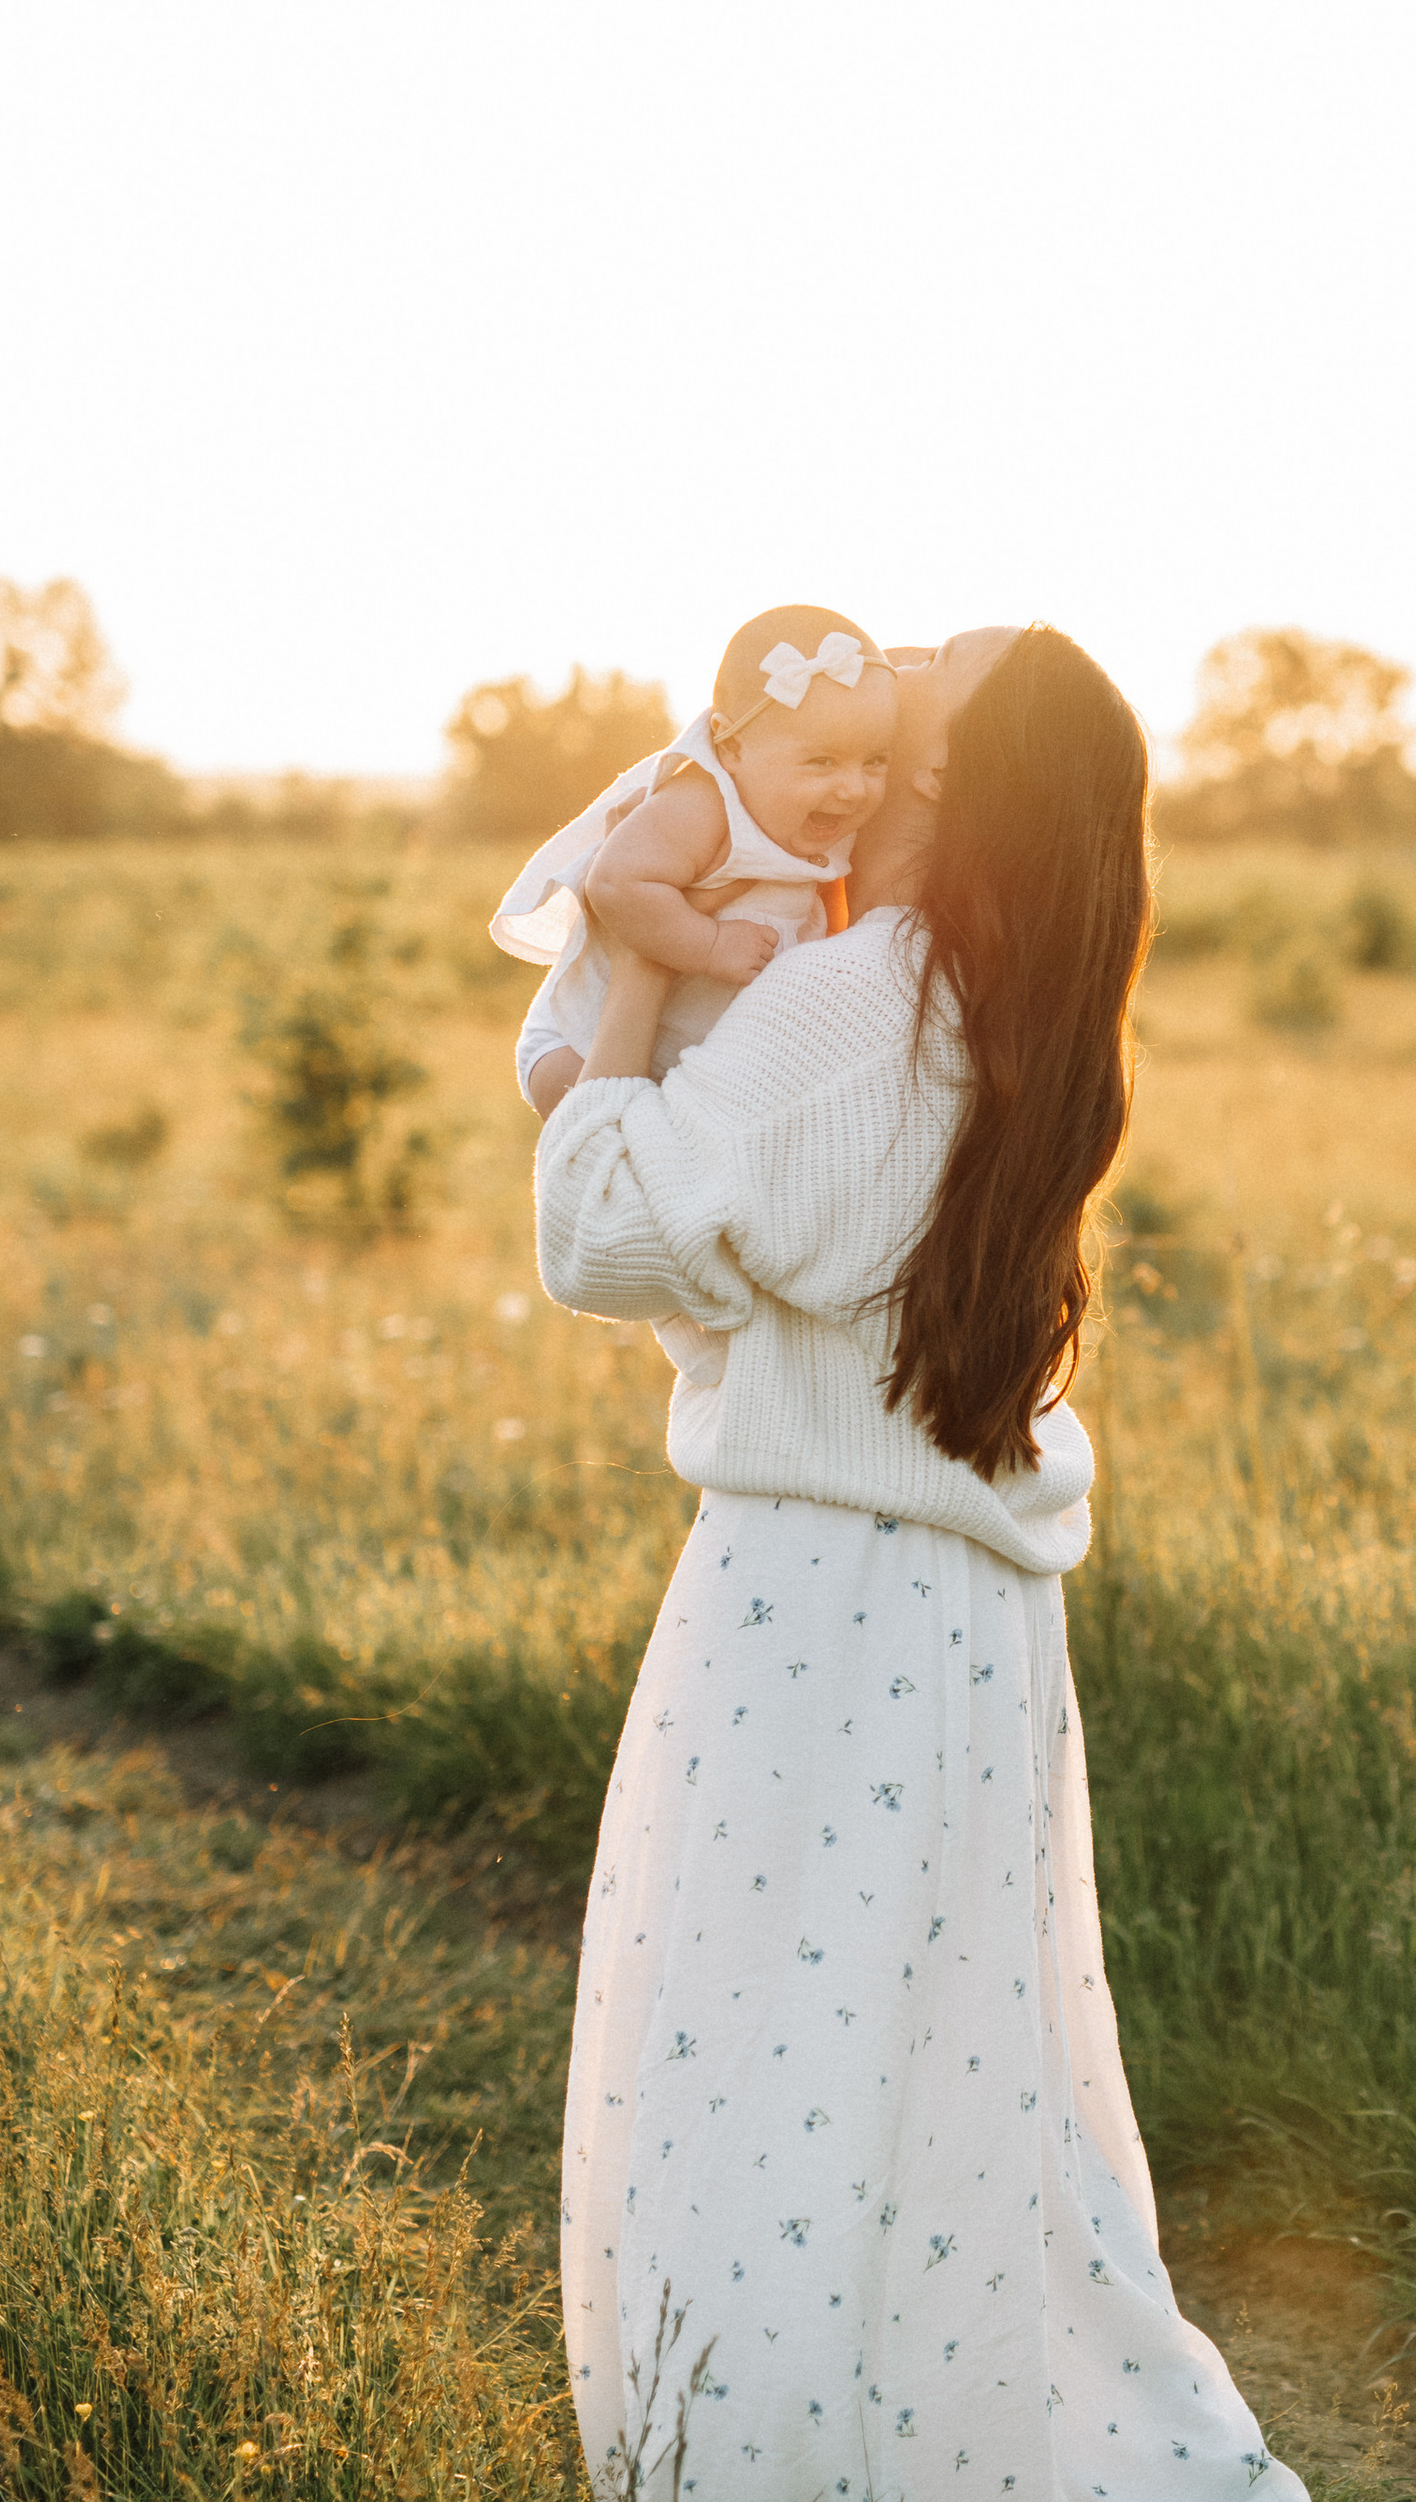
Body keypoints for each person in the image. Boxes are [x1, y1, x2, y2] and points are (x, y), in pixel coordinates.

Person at [535, 624, 1308, 2496]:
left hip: (807, 1611)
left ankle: (761, 2449)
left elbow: (604, 1235)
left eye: (918, 695)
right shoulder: (1021, 1023)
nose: (879, 690)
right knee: (946, 2078)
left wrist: (634, 982)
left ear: (942, 787)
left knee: (764, 2060)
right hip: (970, 1626)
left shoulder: (845, 1008)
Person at [495, 603, 897, 1382]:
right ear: (730, 745)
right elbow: (617, 882)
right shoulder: (703, 804)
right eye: (821, 762)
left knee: (681, 1172)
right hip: (578, 1040)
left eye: (874, 761)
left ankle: (720, 1331)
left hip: (674, 1056)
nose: (852, 788)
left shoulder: (810, 814)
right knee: (605, 1146)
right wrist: (707, 945)